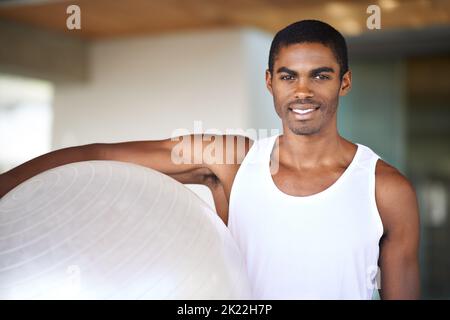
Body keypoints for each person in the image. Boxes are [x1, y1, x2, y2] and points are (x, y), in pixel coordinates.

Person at [0, 20, 420, 300]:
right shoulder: (231, 160)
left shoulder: (385, 189)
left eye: (320, 75)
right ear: (270, 82)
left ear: (344, 82)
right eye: (289, 76)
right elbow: (100, 156)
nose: (303, 92)